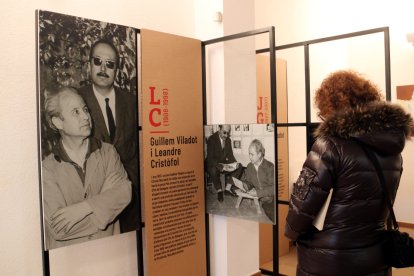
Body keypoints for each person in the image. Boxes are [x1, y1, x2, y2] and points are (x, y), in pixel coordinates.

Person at [285, 70, 413, 276]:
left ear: (331, 106)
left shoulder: (329, 145)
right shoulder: (393, 150)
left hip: (331, 259)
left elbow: (302, 208)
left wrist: (291, 232)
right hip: (376, 254)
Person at [42, 87, 132, 250]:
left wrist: (84, 208)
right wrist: (105, 200)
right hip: (71, 260)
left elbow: (124, 192)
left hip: (109, 251)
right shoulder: (47, 168)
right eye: (75, 112)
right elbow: (59, 229)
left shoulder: (108, 152)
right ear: (58, 122)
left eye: (85, 109)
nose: (85, 116)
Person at [78, 39, 139, 233]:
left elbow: (137, 149)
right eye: (98, 61)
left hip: (131, 200)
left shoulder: (131, 102)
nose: (103, 68)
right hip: (92, 199)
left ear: (116, 70)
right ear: (89, 65)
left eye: (110, 64)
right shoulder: (77, 100)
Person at [206, 124, 243, 202]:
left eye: (228, 133)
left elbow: (230, 156)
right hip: (211, 163)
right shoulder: (211, 139)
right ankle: (219, 190)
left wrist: (235, 164)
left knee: (239, 166)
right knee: (213, 169)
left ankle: (227, 189)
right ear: (219, 130)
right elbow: (210, 158)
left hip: (222, 163)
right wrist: (220, 166)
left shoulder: (228, 140)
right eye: (224, 132)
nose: (226, 135)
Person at [241, 139, 275, 221]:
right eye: (249, 154)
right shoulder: (249, 167)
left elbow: (274, 188)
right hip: (265, 201)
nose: (250, 157)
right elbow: (248, 181)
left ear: (259, 154)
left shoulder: (270, 167)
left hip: (273, 198)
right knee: (272, 214)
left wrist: (257, 192)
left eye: (252, 154)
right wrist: (245, 185)